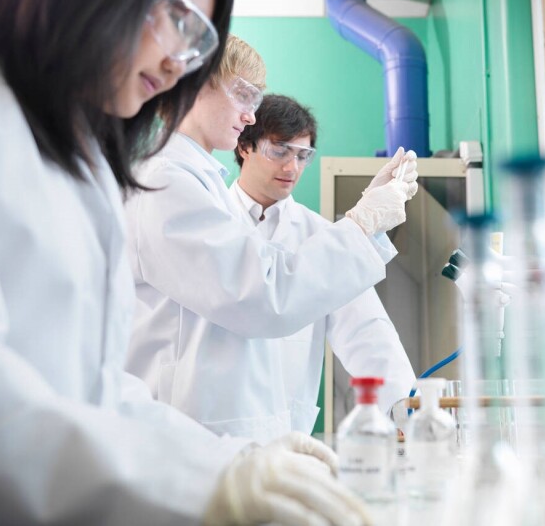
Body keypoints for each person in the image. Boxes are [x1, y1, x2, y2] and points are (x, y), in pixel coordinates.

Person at [0, 0, 372, 525]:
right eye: (178, 17)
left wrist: (226, 465)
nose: (181, 60)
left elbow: (98, 391)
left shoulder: (85, 165)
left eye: (199, 39)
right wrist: (201, 487)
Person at [124, 37, 419, 442]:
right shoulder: (167, 183)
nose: (249, 115)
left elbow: (367, 329)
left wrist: (406, 407)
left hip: (239, 436)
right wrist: (363, 223)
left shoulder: (202, 187)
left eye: (302, 155)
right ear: (195, 82)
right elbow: (263, 293)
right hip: (186, 436)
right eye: (243, 94)